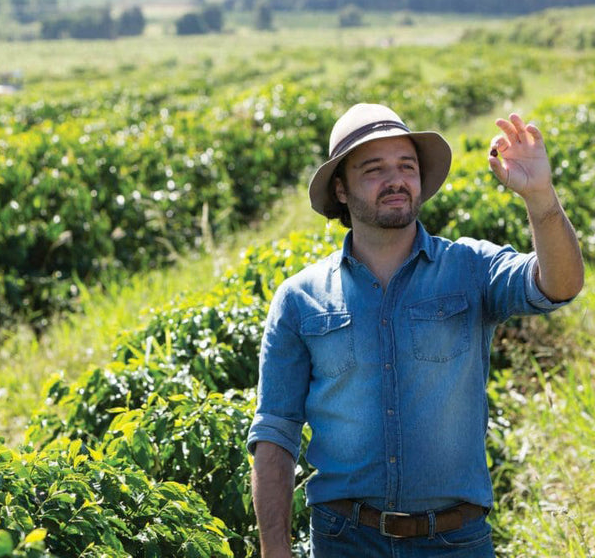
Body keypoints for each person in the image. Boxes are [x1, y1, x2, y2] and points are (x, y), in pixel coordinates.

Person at [246, 103, 584, 558]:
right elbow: (275, 432)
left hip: (456, 541)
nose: (396, 180)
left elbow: (560, 285)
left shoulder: (470, 268)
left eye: (406, 166)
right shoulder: (300, 298)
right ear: (341, 190)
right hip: (345, 540)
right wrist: (274, 549)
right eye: (374, 169)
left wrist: (540, 197)